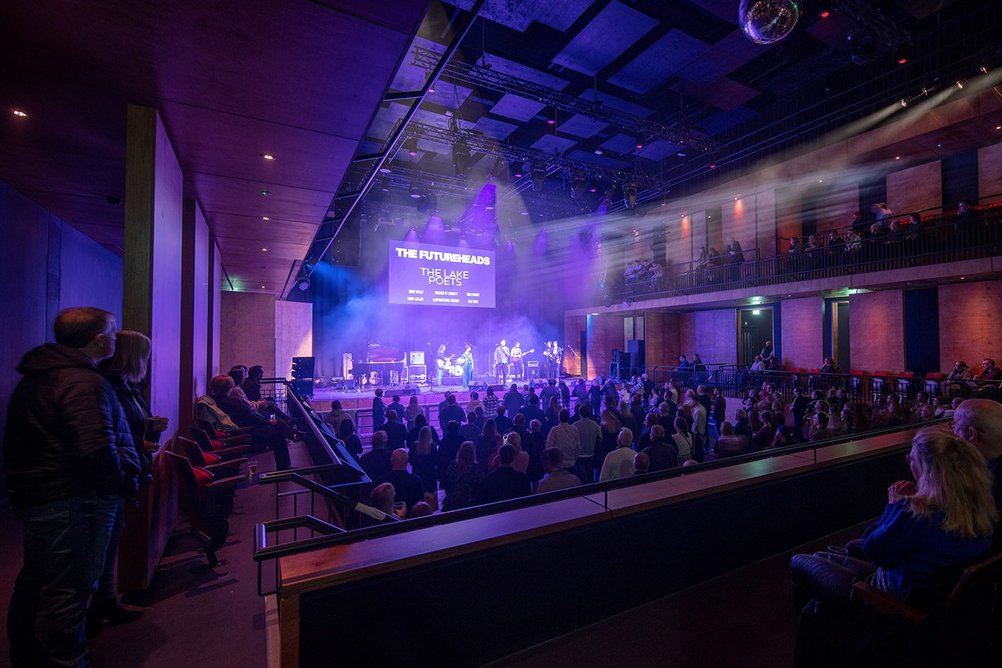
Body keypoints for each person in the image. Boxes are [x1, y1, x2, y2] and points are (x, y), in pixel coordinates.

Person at [5, 307, 141, 667]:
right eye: (112, 332)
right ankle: (65, 659)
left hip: (45, 495)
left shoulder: (40, 375)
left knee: (37, 584)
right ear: (99, 340)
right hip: (77, 500)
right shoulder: (82, 382)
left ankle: (28, 657)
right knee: (69, 592)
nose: (116, 337)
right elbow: (96, 448)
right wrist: (119, 484)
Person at [790, 428, 996, 661]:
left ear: (928, 468)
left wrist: (893, 505)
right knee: (829, 554)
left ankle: (820, 629)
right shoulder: (980, 502)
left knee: (800, 562)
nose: (909, 461)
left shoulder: (918, 511)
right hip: (936, 595)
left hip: (892, 601)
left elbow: (874, 549)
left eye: (912, 458)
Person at [94, 330, 166, 631]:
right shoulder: (103, 387)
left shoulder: (128, 387)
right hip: (108, 479)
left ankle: (105, 603)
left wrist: (149, 427)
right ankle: (84, 627)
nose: (149, 361)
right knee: (92, 555)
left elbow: (123, 426)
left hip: (124, 474)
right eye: (145, 355)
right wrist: (140, 444)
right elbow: (103, 434)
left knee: (108, 548)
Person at [211, 374, 293, 469]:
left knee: (273, 419)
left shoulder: (215, 400)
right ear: (229, 387)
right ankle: (284, 467)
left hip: (237, 430)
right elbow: (252, 418)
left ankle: (292, 433)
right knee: (277, 432)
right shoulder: (234, 402)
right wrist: (267, 422)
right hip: (244, 432)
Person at [374, 449, 425, 515]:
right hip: (411, 521)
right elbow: (420, 506)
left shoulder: (380, 482)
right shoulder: (417, 481)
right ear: (407, 462)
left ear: (391, 461)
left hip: (387, 522)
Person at [441, 442, 482, 512]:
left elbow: (447, 481)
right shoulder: (475, 467)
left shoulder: (453, 464)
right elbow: (478, 485)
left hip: (452, 500)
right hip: (469, 501)